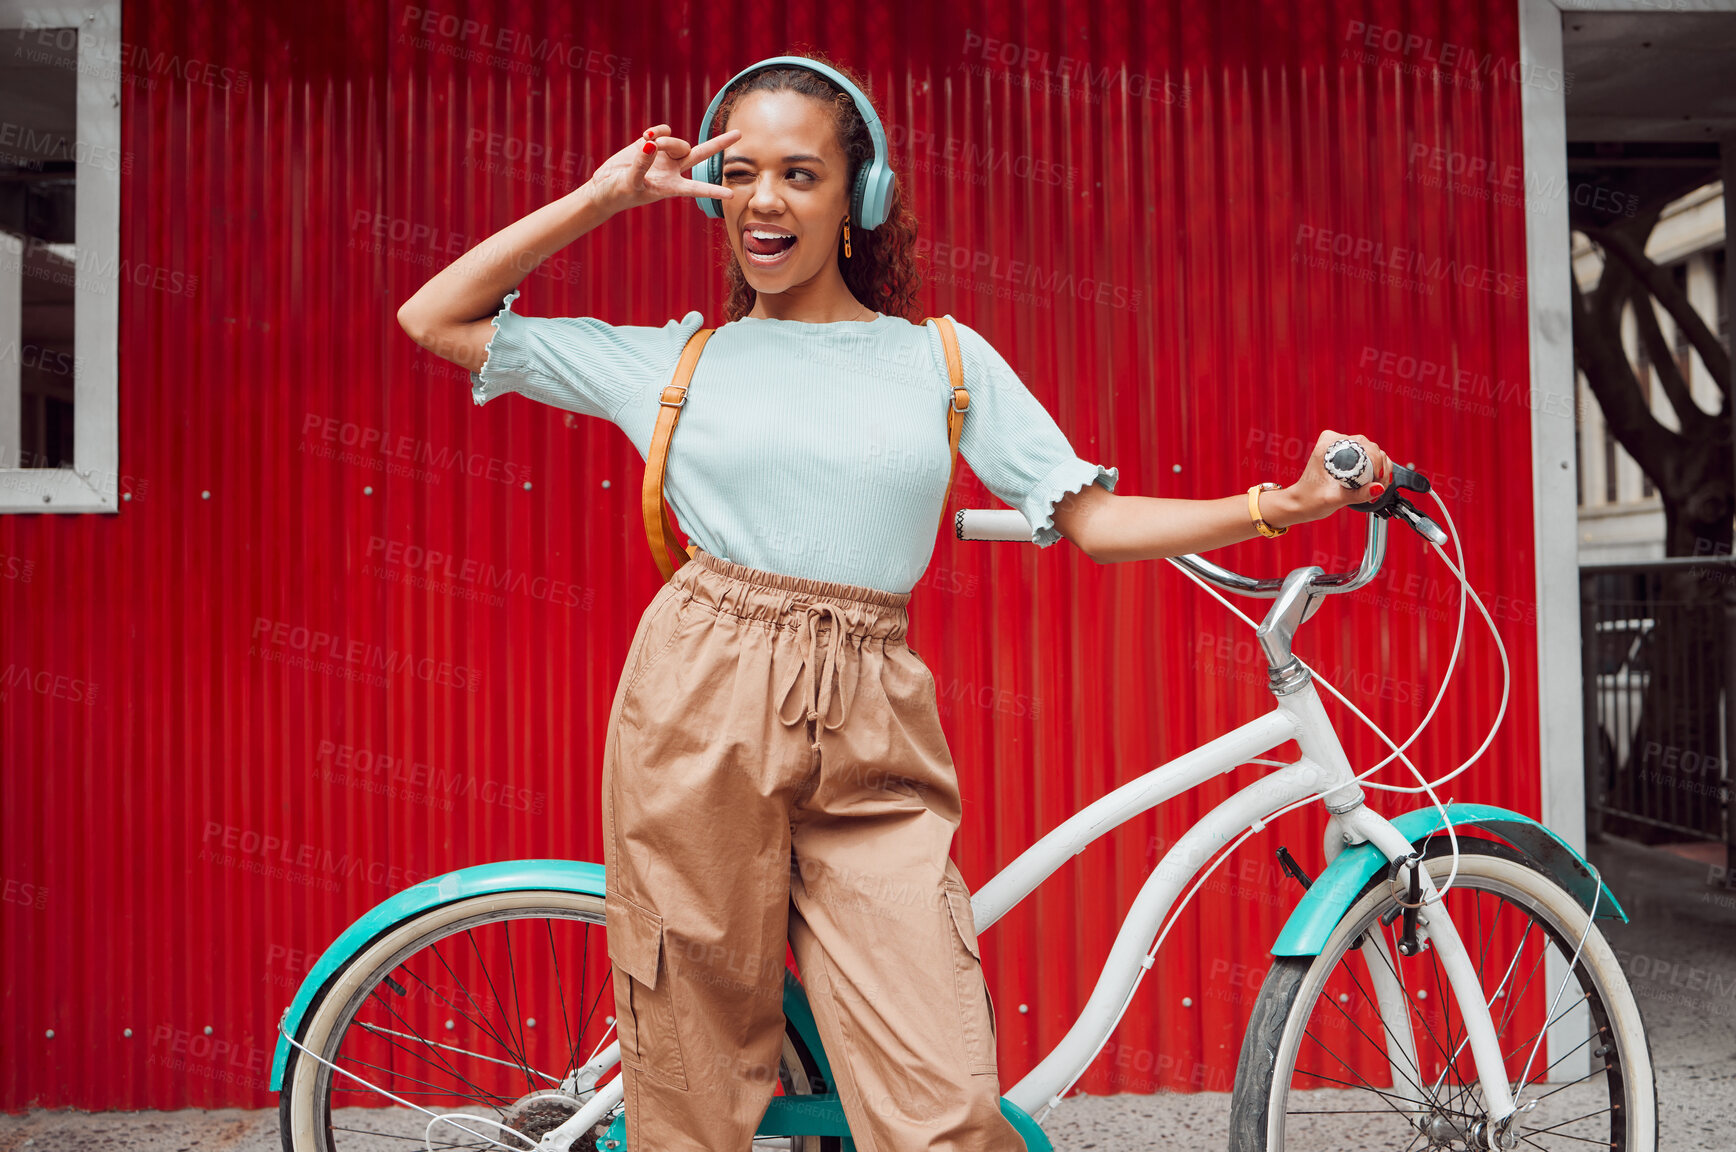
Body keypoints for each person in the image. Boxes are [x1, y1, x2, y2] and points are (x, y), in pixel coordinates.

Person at [398, 52, 1390, 1152]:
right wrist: (605, 196)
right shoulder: (673, 363)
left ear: (854, 205)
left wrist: (1280, 505)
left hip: (873, 714)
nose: (762, 200)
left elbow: (1095, 525)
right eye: (739, 173)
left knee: (943, 1103)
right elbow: (435, 314)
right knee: (692, 1080)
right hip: (699, 700)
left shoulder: (942, 363)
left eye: (799, 174)